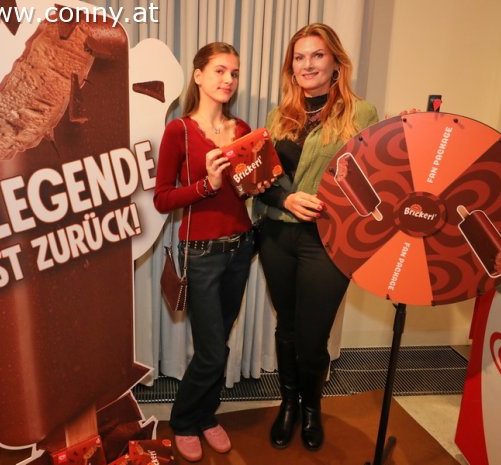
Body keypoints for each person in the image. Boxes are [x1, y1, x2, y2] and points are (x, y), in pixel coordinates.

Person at [254, 23, 379, 451]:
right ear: (291, 67)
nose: (307, 65)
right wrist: (286, 198)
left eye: (317, 55)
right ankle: (288, 404)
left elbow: (372, 180)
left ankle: (312, 408)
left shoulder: (362, 114)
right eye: (299, 57)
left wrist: (406, 139)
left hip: (327, 241)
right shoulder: (278, 116)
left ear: (335, 63)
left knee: (312, 337)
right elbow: (263, 181)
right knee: (286, 328)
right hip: (277, 235)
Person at [153, 42, 268, 462]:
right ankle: (184, 420)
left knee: (220, 342)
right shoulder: (179, 131)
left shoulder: (243, 129)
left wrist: (257, 183)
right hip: (200, 254)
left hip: (241, 249)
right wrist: (207, 185)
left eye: (234, 73)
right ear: (199, 75)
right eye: (220, 70)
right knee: (211, 351)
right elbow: (162, 199)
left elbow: (246, 192)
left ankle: (205, 415)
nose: (228, 80)